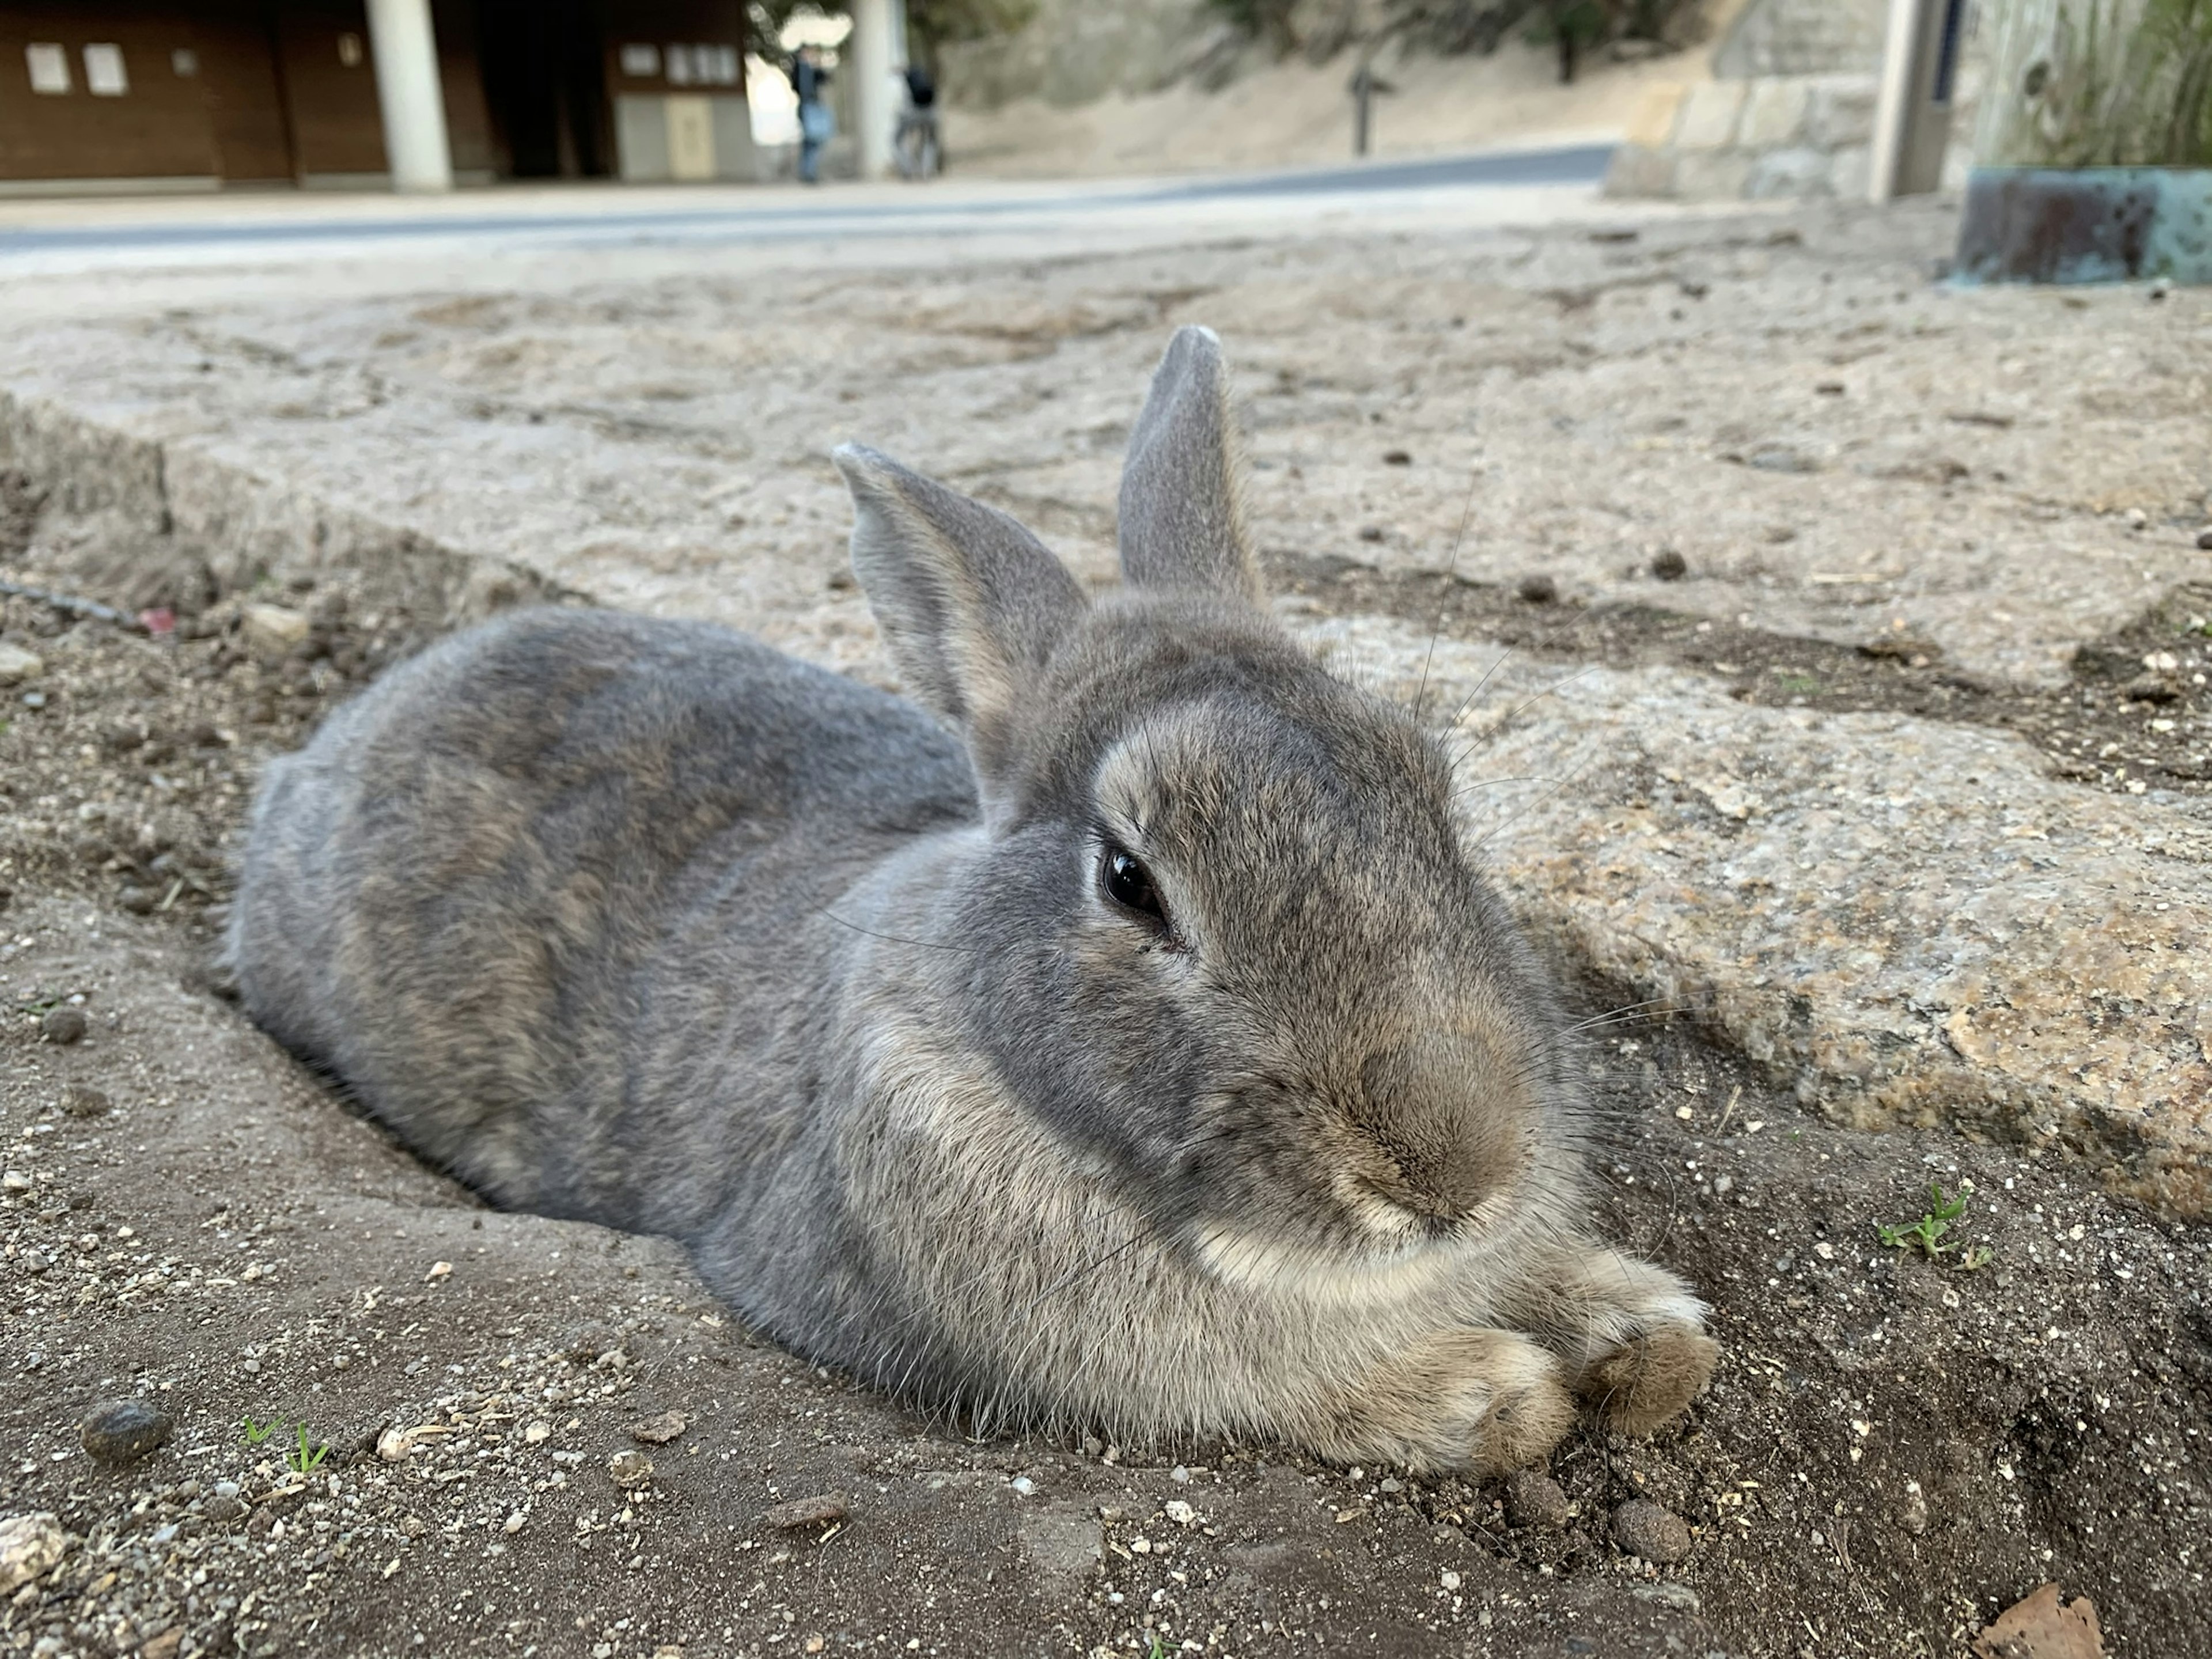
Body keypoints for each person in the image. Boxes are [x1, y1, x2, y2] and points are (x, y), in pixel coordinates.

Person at [789, 44, 832, 184]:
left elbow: (826, 79)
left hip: (814, 106)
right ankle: (808, 172)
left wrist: (818, 64)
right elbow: (796, 86)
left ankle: (809, 170)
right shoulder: (799, 69)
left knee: (813, 141)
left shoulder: (813, 70)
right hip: (806, 107)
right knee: (809, 141)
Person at [894, 61, 940, 180]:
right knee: (929, 140)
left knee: (898, 140)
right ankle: (926, 169)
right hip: (930, 111)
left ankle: (907, 169)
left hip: (913, 112)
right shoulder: (924, 76)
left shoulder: (906, 78)